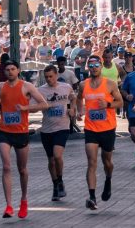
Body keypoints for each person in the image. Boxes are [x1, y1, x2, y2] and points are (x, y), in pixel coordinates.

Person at [0, 60, 48, 218]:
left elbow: (44, 105)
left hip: (21, 132)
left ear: (18, 71)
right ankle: (9, 205)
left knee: (22, 169)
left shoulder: (27, 86)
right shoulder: (1, 86)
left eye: (12, 69)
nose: (9, 72)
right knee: (6, 167)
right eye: (7, 69)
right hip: (4, 131)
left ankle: (23, 200)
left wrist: (26, 108)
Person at [76, 55, 123, 210]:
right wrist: (79, 110)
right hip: (91, 128)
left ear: (101, 66)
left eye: (97, 65)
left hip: (108, 128)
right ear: (88, 67)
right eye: (91, 64)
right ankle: (92, 197)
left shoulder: (110, 84)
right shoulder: (83, 85)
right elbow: (78, 98)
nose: (94, 67)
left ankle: (108, 179)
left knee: (107, 162)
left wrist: (108, 104)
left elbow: (120, 102)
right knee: (91, 162)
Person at [38, 65, 76, 201]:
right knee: (51, 160)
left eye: (51, 76)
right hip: (46, 129)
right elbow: (34, 105)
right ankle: (56, 185)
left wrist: (73, 110)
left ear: (56, 75)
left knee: (57, 155)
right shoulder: (40, 91)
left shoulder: (65, 87)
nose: (49, 79)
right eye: (46, 77)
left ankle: (60, 180)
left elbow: (73, 98)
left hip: (62, 127)